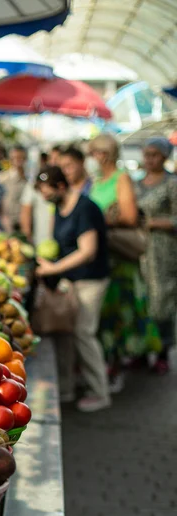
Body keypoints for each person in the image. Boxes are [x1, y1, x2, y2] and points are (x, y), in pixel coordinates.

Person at [89, 133, 161, 390]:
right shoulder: (98, 180)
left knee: (119, 313)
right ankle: (112, 365)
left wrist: (103, 221)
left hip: (120, 257)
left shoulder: (122, 178)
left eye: (96, 152)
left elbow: (130, 217)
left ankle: (117, 367)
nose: (93, 157)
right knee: (107, 315)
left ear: (104, 154)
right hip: (104, 254)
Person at [36, 166, 110, 412]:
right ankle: (66, 388)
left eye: (47, 192)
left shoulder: (85, 208)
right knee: (66, 333)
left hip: (91, 280)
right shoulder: (57, 207)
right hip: (71, 280)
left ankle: (100, 392)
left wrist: (54, 269)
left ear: (60, 186)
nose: (44, 198)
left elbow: (88, 251)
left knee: (83, 333)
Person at [135, 137, 177, 373]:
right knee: (142, 299)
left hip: (164, 250)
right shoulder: (137, 183)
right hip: (138, 248)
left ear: (164, 156)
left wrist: (157, 223)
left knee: (162, 301)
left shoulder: (172, 183)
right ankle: (141, 348)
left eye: (155, 154)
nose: (150, 159)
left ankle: (162, 350)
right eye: (147, 154)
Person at [0, 145, 31, 233]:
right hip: (8, 224)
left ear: (25, 158)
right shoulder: (2, 178)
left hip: (27, 224)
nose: (17, 161)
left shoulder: (30, 179)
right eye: (14, 158)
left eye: (20, 158)